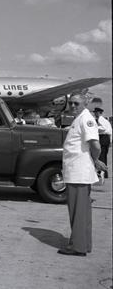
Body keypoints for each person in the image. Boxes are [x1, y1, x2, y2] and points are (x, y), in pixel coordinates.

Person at [58, 94, 107, 256]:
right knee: (83, 211)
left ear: (85, 103)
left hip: (78, 173)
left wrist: (95, 159)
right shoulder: (80, 118)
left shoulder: (85, 119)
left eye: (76, 103)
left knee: (77, 211)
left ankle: (77, 247)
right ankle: (84, 244)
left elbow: (95, 145)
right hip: (77, 171)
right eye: (70, 103)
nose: (72, 106)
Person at [93, 107, 112, 179]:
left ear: (99, 113)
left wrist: (95, 127)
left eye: (95, 112)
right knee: (103, 156)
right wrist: (110, 141)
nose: (94, 114)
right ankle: (104, 174)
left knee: (101, 157)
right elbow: (110, 131)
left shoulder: (100, 119)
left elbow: (103, 128)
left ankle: (102, 174)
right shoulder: (105, 120)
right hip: (106, 138)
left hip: (103, 138)